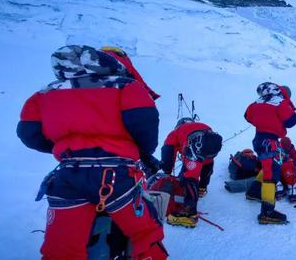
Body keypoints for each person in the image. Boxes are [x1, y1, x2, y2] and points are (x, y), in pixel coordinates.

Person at [17, 45, 166, 259]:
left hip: (68, 176)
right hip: (117, 176)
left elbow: (29, 133)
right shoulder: (126, 87)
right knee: (145, 233)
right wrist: (140, 152)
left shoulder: (44, 94)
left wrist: (69, 147)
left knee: (61, 249)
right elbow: (145, 127)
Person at [244, 82, 296, 224]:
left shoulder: (258, 101)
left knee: (267, 166)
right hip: (270, 142)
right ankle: (267, 212)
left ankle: (254, 192)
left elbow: (247, 116)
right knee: (271, 175)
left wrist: (263, 120)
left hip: (258, 139)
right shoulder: (280, 103)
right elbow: (292, 121)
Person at [160, 118, 223, 227]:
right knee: (205, 161)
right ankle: (202, 188)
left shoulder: (175, 132)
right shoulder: (199, 126)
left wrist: (167, 170)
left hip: (196, 145)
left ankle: (189, 214)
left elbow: (167, 152)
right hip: (213, 145)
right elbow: (205, 160)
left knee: (190, 177)